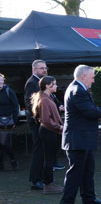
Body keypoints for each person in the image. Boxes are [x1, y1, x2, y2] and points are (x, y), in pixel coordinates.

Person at [58, 65, 101, 204]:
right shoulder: (77, 91)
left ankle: (89, 198)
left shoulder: (77, 89)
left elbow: (88, 111)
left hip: (82, 139)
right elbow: (90, 112)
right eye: (92, 77)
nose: (93, 81)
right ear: (83, 76)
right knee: (75, 173)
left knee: (87, 170)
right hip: (78, 139)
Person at [30, 76, 62, 194]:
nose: (56, 86)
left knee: (50, 158)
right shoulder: (44, 99)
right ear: (48, 86)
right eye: (54, 84)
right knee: (49, 159)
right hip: (48, 131)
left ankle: (50, 183)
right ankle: (48, 185)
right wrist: (59, 127)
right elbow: (46, 120)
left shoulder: (47, 98)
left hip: (49, 131)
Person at [27, 59, 51, 189]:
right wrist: (38, 120)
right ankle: (35, 180)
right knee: (38, 151)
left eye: (45, 68)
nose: (45, 70)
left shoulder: (39, 82)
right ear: (34, 69)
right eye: (42, 68)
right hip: (37, 123)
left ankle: (39, 177)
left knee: (42, 150)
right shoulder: (32, 83)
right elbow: (31, 104)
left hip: (41, 122)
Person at [0, 73, 19, 170]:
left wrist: (14, 121)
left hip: (6, 121)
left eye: (1, 80)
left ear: (3, 81)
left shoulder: (9, 91)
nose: (0, 82)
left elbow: (16, 107)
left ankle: (12, 160)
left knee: (4, 142)